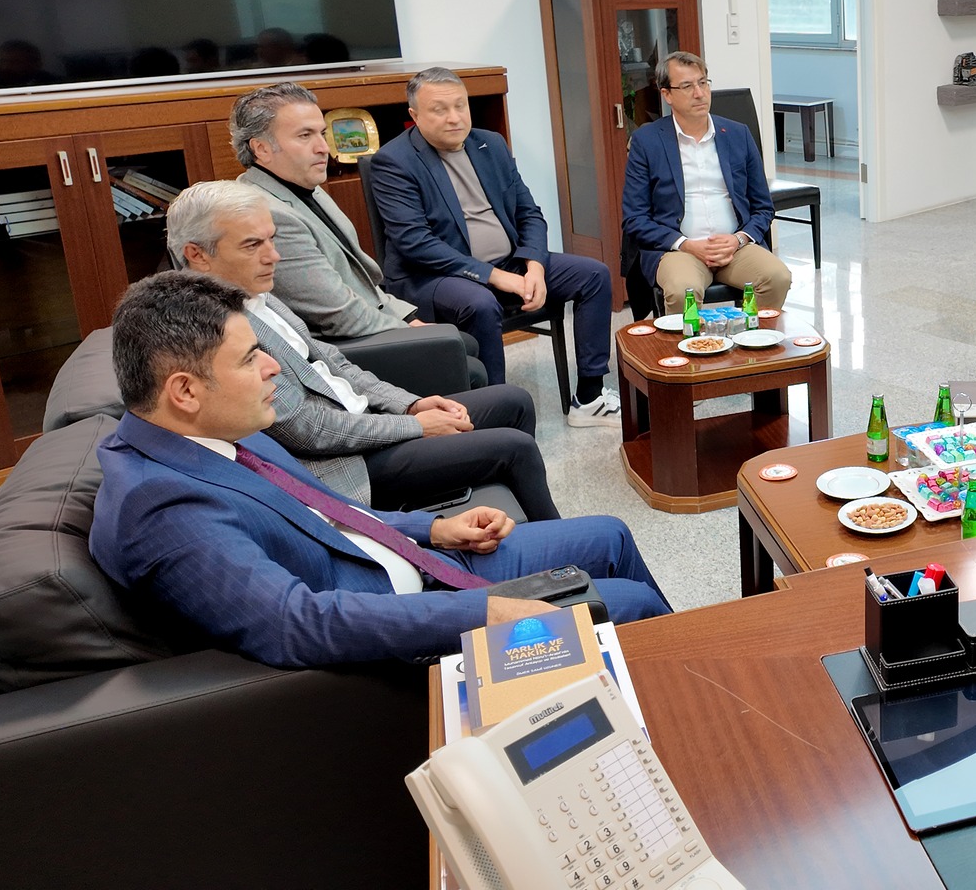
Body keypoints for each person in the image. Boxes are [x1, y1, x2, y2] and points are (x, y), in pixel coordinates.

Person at [89, 270, 671, 670]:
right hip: (406, 630)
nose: (273, 368)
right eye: (249, 358)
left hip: (419, 564)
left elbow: (328, 513)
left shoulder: (213, 434)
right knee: (632, 605)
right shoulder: (161, 507)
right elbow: (296, 624)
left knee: (610, 534)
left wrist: (432, 529)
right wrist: (483, 612)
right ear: (185, 391)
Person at [170, 181, 563, 523]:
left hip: (366, 422)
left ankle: (518, 524)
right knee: (514, 448)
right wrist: (416, 426)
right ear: (197, 254)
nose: (274, 256)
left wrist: (410, 405)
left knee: (512, 401)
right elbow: (307, 430)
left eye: (271, 239)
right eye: (253, 245)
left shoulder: (256, 293)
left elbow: (335, 364)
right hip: (343, 464)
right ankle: (558, 558)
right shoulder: (216, 331)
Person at [368, 67, 619, 426]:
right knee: (481, 303)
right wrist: (496, 277)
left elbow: (529, 213)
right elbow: (416, 243)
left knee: (593, 274)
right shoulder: (394, 161)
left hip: (508, 262)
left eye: (461, 105)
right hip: (433, 276)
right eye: (440, 109)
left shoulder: (491, 144)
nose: (454, 117)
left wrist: (534, 266)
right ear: (415, 115)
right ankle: (495, 417)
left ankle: (590, 398)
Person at [229, 82, 466, 355]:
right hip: (342, 348)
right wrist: (408, 330)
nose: (323, 148)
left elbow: (362, 285)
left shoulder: (306, 186)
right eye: (304, 136)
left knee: (461, 344)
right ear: (261, 148)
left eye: (322, 133)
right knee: (461, 352)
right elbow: (336, 312)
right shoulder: (269, 214)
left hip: (368, 320)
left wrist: (408, 318)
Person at [621, 51, 791, 309]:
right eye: (687, 86)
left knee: (777, 277)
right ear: (667, 95)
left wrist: (739, 239)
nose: (699, 93)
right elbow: (635, 218)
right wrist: (686, 244)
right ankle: (688, 338)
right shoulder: (648, 142)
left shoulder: (737, 134)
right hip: (678, 249)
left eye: (703, 83)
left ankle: (755, 333)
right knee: (682, 290)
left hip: (734, 247)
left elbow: (763, 207)